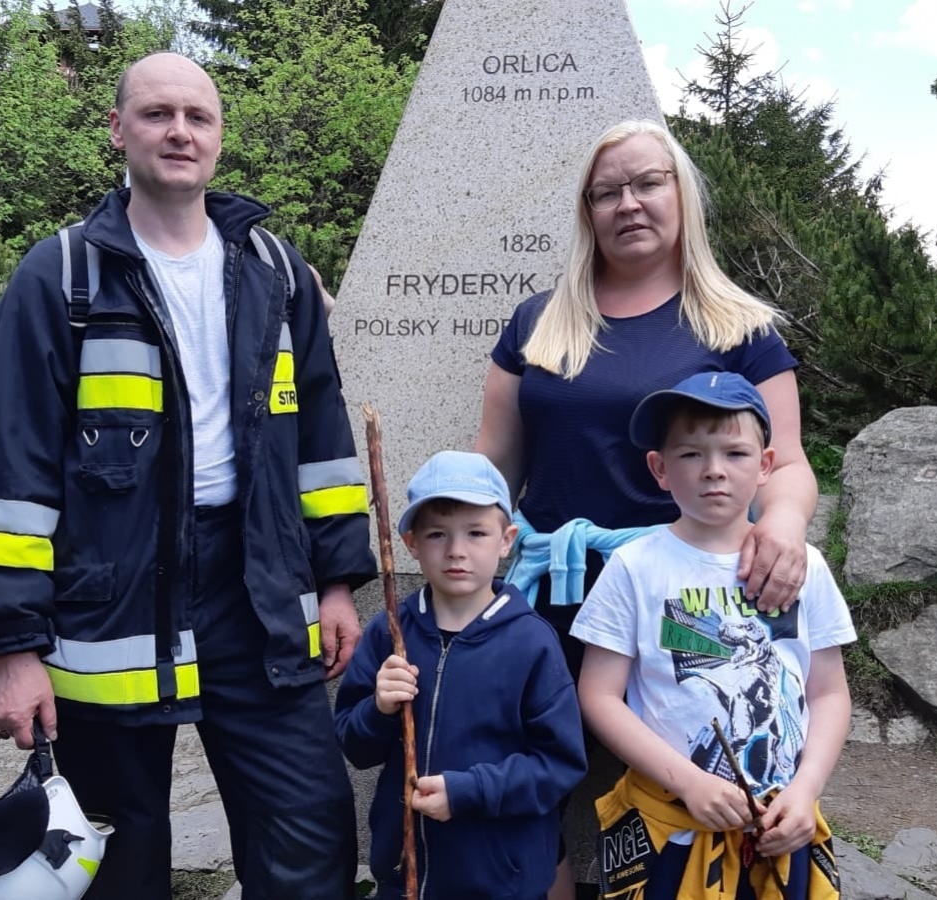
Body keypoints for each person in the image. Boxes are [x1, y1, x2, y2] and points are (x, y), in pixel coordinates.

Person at [0, 51, 375, 899]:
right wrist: (11, 647)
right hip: (111, 594)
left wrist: (335, 583)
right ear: (117, 129)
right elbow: (5, 477)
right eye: (156, 114)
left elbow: (321, 443)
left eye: (198, 117)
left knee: (310, 827)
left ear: (218, 139)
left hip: (257, 589)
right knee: (117, 852)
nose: (180, 131)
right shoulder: (57, 277)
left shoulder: (276, 271)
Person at [476, 118, 821, 896]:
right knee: (539, 785)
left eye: (648, 183)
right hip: (549, 593)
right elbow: (494, 466)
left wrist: (786, 527)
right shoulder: (537, 323)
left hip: (683, 596)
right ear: (586, 210)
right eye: (608, 192)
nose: (628, 203)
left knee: (694, 783)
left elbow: (787, 462)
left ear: (683, 196)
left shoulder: (738, 325)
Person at [573, 372, 853, 898]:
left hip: (781, 825)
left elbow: (828, 691)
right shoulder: (634, 568)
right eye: (691, 454)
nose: (714, 471)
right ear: (659, 468)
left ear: (766, 466)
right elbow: (599, 695)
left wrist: (807, 789)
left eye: (736, 454)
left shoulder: (803, 567)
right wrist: (690, 782)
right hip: (667, 826)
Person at [336, 451, 586, 900]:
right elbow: (353, 745)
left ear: (507, 539)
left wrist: (469, 792)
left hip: (500, 879)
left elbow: (559, 765)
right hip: (403, 875)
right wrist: (379, 709)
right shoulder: (389, 634)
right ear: (411, 542)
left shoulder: (531, 643)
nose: (456, 550)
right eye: (437, 534)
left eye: (476, 533)